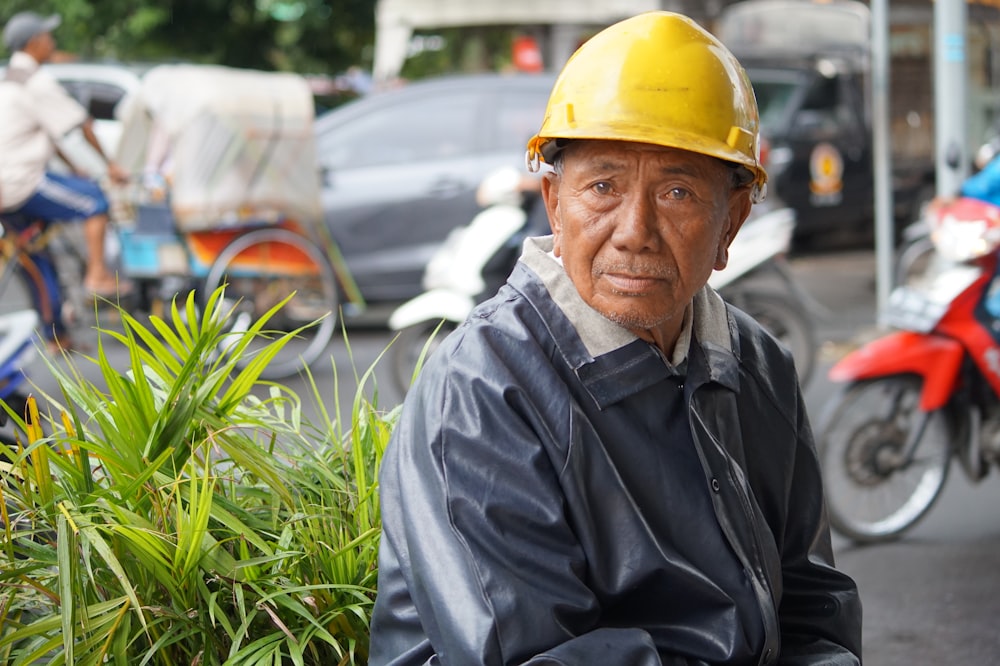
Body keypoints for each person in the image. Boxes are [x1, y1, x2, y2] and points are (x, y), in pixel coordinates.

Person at [370, 11, 862, 665]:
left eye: (678, 191)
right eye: (602, 186)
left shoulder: (757, 365)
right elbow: (524, 655)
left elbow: (812, 607)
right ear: (553, 202)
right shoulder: (484, 388)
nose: (634, 230)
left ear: (732, 224)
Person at [0, 11, 130, 308]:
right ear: (34, 43)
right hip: (22, 182)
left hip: (7, 186)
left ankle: (56, 336)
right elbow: (83, 124)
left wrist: (75, 169)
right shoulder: (36, 82)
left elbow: (47, 133)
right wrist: (111, 166)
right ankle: (97, 275)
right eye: (47, 36)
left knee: (39, 257)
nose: (52, 42)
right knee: (95, 201)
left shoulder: (10, 79)